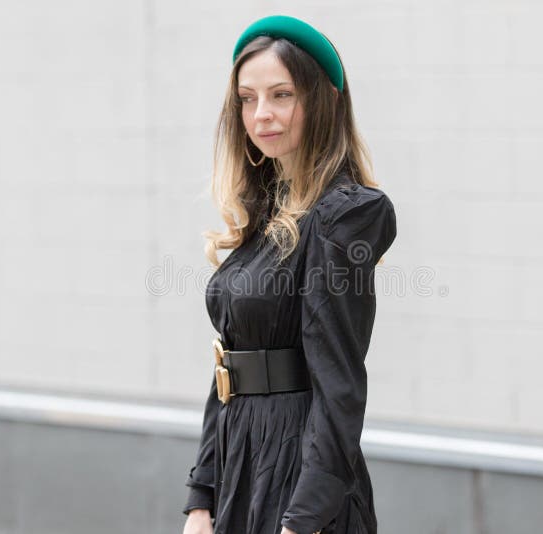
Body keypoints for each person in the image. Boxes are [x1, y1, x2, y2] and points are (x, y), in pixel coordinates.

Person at [181, 14, 397, 534]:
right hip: (239, 465)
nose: (262, 115)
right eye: (248, 99)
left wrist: (305, 518)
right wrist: (200, 499)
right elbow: (229, 369)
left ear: (320, 101)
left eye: (282, 94)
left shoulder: (346, 214)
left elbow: (339, 385)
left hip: (298, 476)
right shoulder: (263, 212)